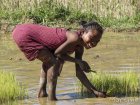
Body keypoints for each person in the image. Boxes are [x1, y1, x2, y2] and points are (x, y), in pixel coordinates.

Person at [12, 21, 107, 101]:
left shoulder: (79, 48)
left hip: (22, 30)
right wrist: (78, 61)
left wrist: (95, 91)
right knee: (53, 62)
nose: (93, 43)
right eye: (91, 38)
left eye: (96, 41)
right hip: (25, 34)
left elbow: (79, 73)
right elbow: (58, 53)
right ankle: (52, 99)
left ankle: (42, 93)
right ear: (83, 32)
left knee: (49, 60)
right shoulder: (74, 37)